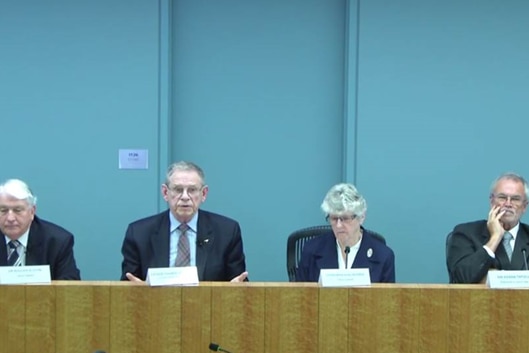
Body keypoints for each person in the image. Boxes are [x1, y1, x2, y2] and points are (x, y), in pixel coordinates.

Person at [121, 161, 248, 282]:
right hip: (155, 303)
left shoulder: (227, 232)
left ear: (203, 194)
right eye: (178, 189)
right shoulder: (139, 233)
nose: (185, 197)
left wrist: (238, 288)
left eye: (192, 190)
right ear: (165, 193)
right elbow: (128, 284)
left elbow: (238, 282)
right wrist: (135, 290)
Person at [296, 183, 395, 282]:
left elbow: (387, 297)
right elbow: (299, 295)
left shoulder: (383, 256)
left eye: (345, 218)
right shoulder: (311, 250)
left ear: (361, 217)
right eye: (334, 218)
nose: (338, 225)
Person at [447, 172, 529, 283]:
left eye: (515, 199)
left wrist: (489, 277)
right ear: (492, 201)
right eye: (502, 197)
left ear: (524, 206)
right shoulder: (465, 233)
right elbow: (461, 279)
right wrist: (495, 238)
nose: (508, 204)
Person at [0, 179, 80, 279]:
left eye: (17, 210)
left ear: (32, 212)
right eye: (3, 210)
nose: (10, 218)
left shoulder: (57, 242)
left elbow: (69, 286)